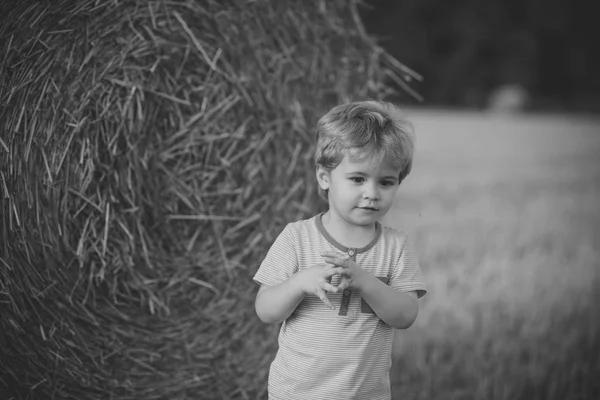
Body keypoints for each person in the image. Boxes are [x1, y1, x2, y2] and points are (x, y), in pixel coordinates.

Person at [253, 100, 427, 400]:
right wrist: (299, 283)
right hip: (295, 394)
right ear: (324, 177)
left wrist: (365, 282)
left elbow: (406, 315)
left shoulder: (395, 247)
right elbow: (265, 310)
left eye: (386, 182)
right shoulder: (297, 237)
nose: (371, 193)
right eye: (358, 179)